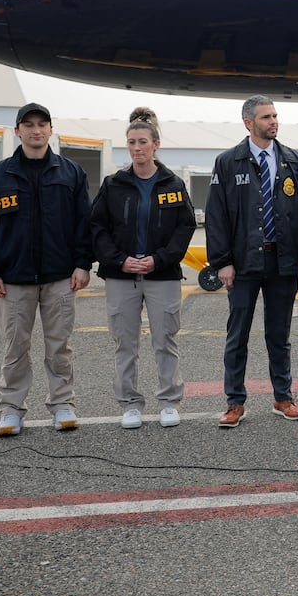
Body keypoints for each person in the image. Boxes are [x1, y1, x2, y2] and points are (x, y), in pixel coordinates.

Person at [0, 103, 93, 437]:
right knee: (15, 348)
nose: (36, 130)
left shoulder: (71, 173)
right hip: (12, 281)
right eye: (29, 125)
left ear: (51, 130)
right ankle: (11, 410)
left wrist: (82, 264)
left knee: (60, 348)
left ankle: (63, 404)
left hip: (60, 278)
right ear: (17, 131)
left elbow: (85, 225)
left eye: (42, 124)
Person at [205, 95, 298, 428]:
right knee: (237, 334)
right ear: (248, 123)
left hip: (283, 263)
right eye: (266, 117)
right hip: (242, 264)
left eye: (275, 115)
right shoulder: (228, 162)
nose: (273, 121)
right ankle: (234, 402)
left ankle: (283, 397)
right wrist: (222, 262)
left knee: (279, 334)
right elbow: (216, 216)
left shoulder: (294, 161)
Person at [89, 108, 196, 430]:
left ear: (156, 145)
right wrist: (119, 259)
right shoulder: (114, 184)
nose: (137, 148)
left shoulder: (172, 183)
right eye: (131, 142)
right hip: (121, 276)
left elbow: (184, 228)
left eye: (142, 142)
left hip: (161, 275)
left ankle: (168, 401)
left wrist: (159, 259)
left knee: (165, 340)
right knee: (125, 343)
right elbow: (97, 228)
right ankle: (131, 404)